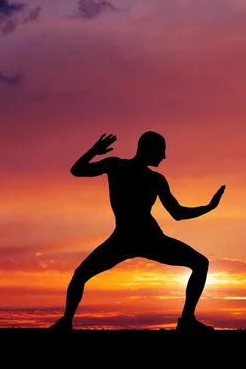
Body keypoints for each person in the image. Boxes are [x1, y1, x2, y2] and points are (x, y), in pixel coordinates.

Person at [49, 132, 226, 332]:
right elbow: (77, 170)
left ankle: (187, 321)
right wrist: (94, 151)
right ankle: (65, 322)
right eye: (161, 151)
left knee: (200, 263)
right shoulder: (119, 166)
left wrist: (209, 207)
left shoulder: (145, 175)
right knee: (80, 275)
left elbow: (177, 213)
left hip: (142, 239)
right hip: (131, 239)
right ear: (147, 149)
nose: (164, 157)